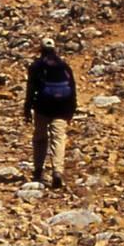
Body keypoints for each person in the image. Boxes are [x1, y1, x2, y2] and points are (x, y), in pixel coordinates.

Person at [24, 37, 77, 189]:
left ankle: (38, 169)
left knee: (40, 138)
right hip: (62, 108)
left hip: (42, 107)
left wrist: (27, 108)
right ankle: (57, 172)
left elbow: (30, 89)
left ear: (41, 50)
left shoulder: (36, 66)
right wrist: (72, 109)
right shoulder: (64, 66)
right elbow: (72, 88)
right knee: (58, 139)